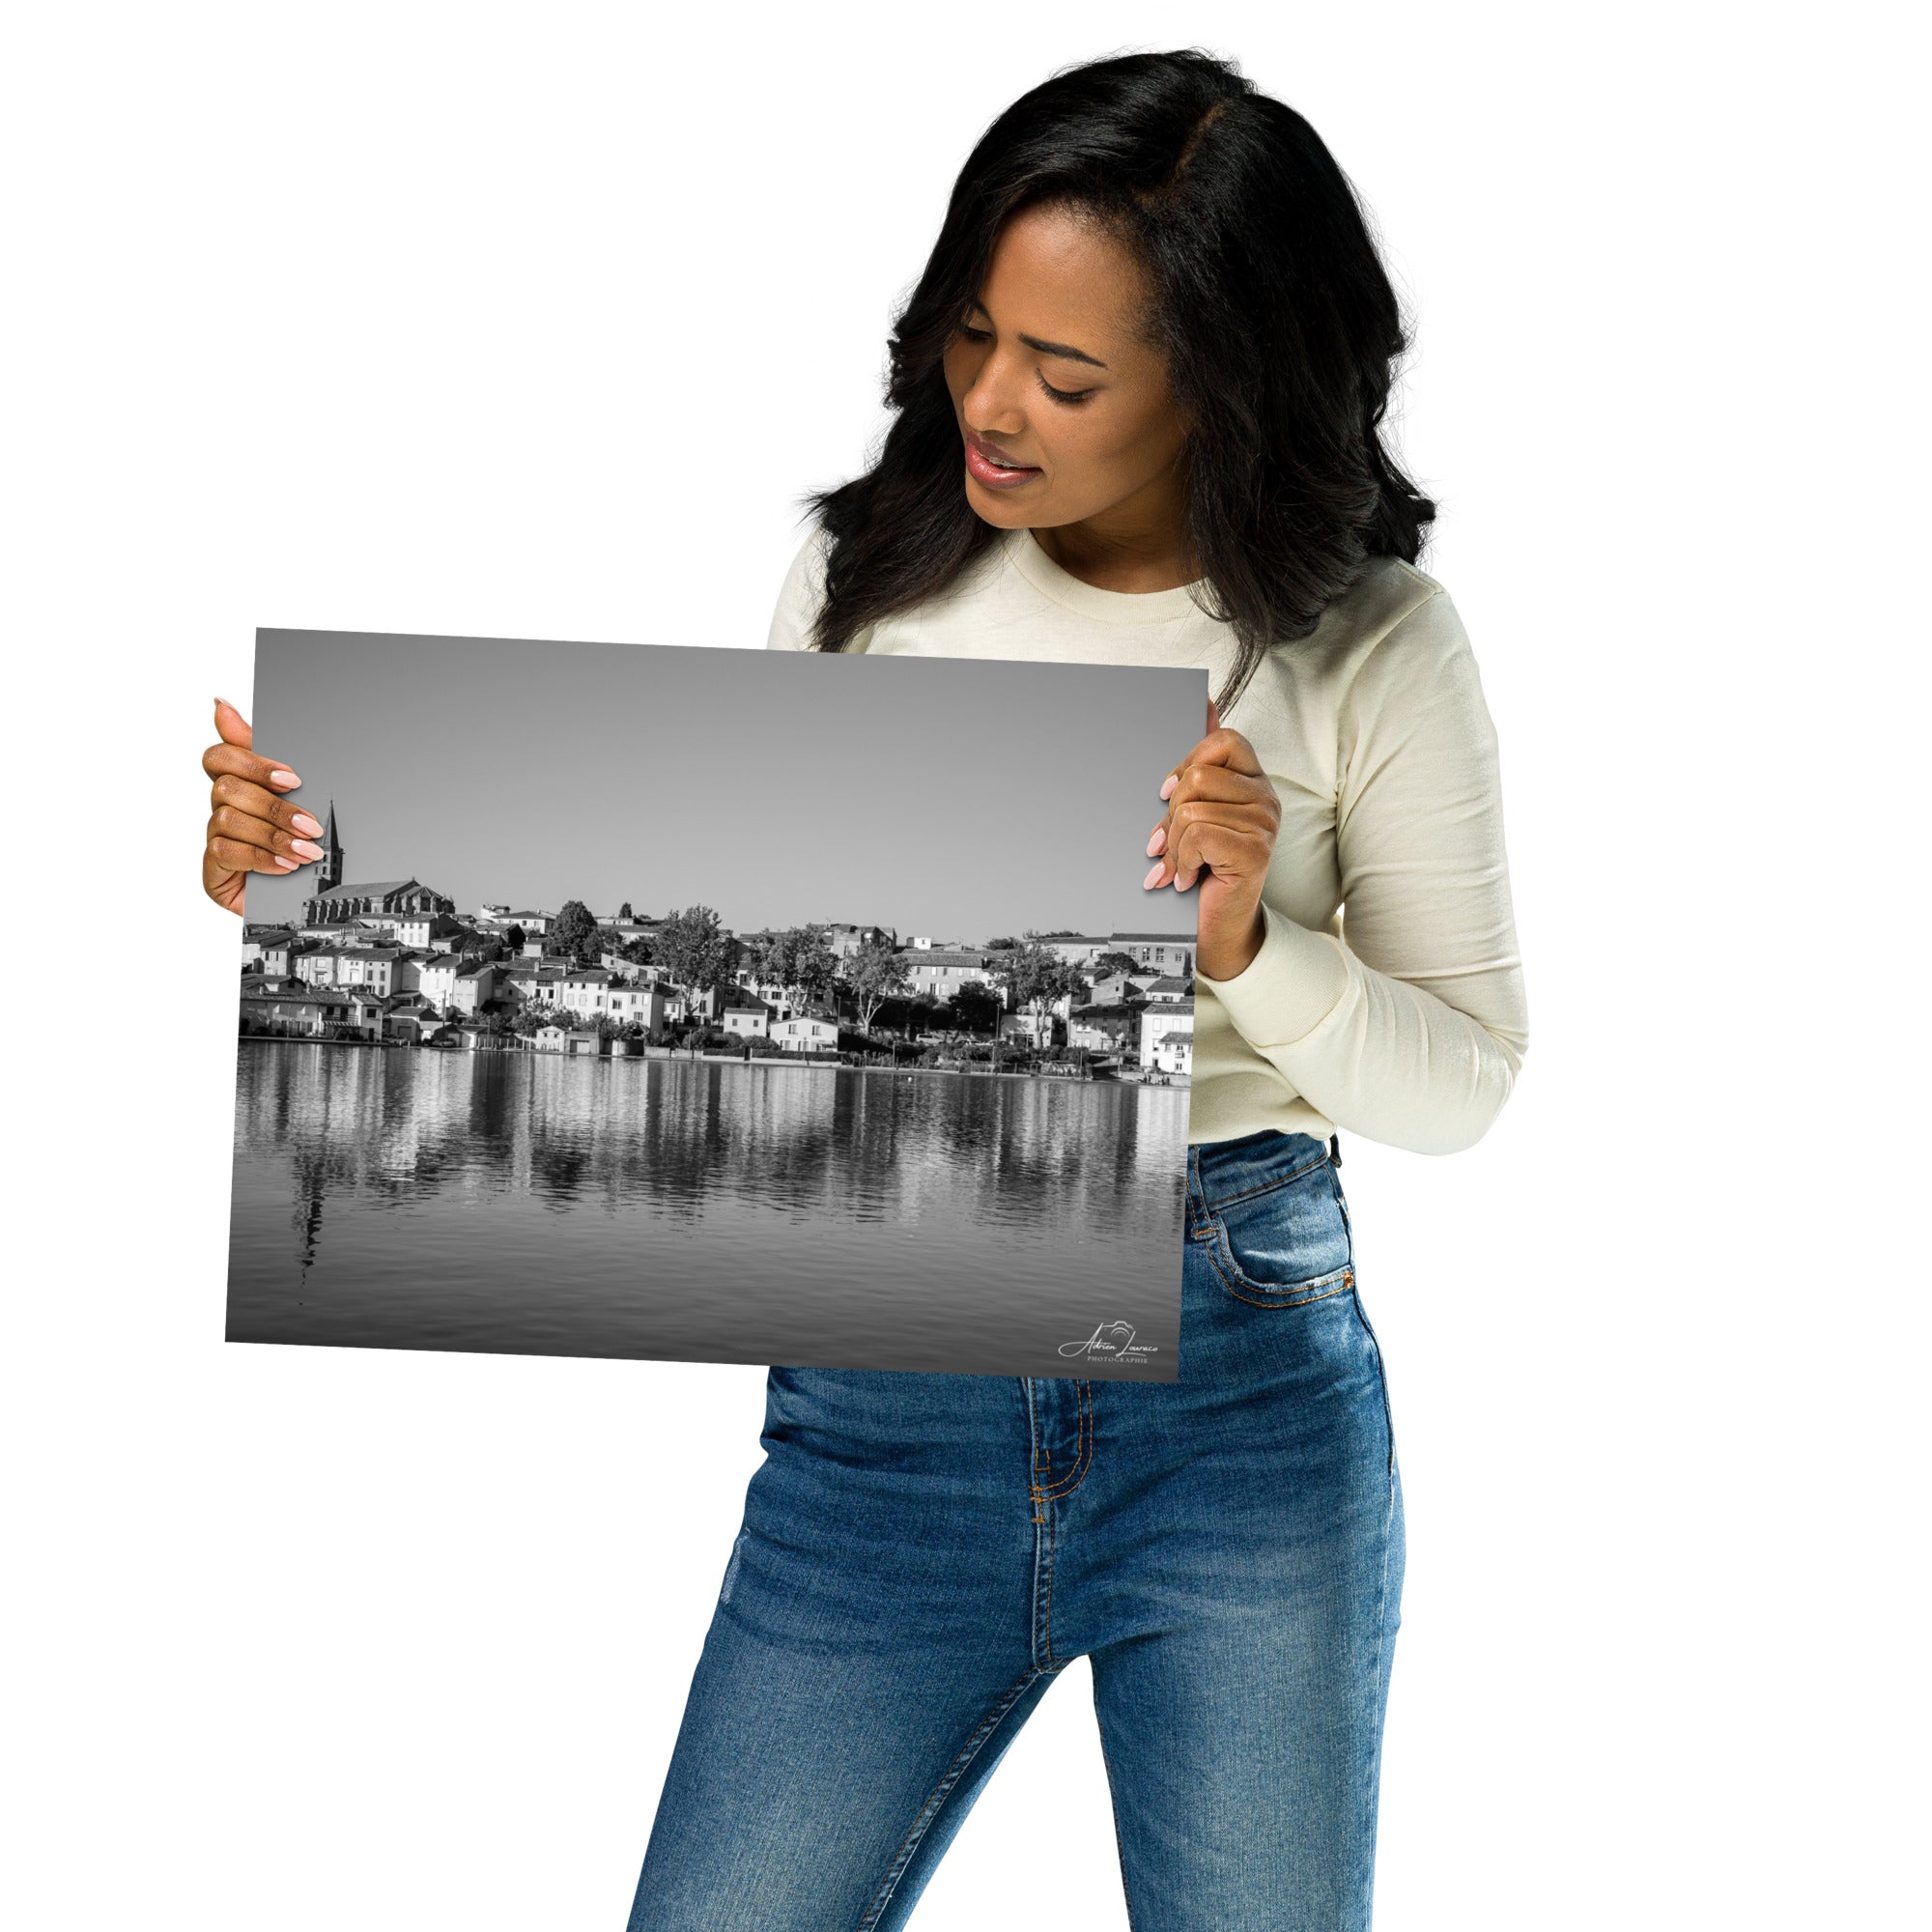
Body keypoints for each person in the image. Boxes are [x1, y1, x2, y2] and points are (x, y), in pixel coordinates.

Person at [199, 48, 1528, 1932]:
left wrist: (1247, 945)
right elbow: (721, 982)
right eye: (972, 334)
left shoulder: (1372, 641)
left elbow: (1465, 1082)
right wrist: (314, 884)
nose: (991, 402)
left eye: (1065, 375)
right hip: (880, 1424)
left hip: (1235, 1388)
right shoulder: (863, 577)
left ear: (1223, 379)